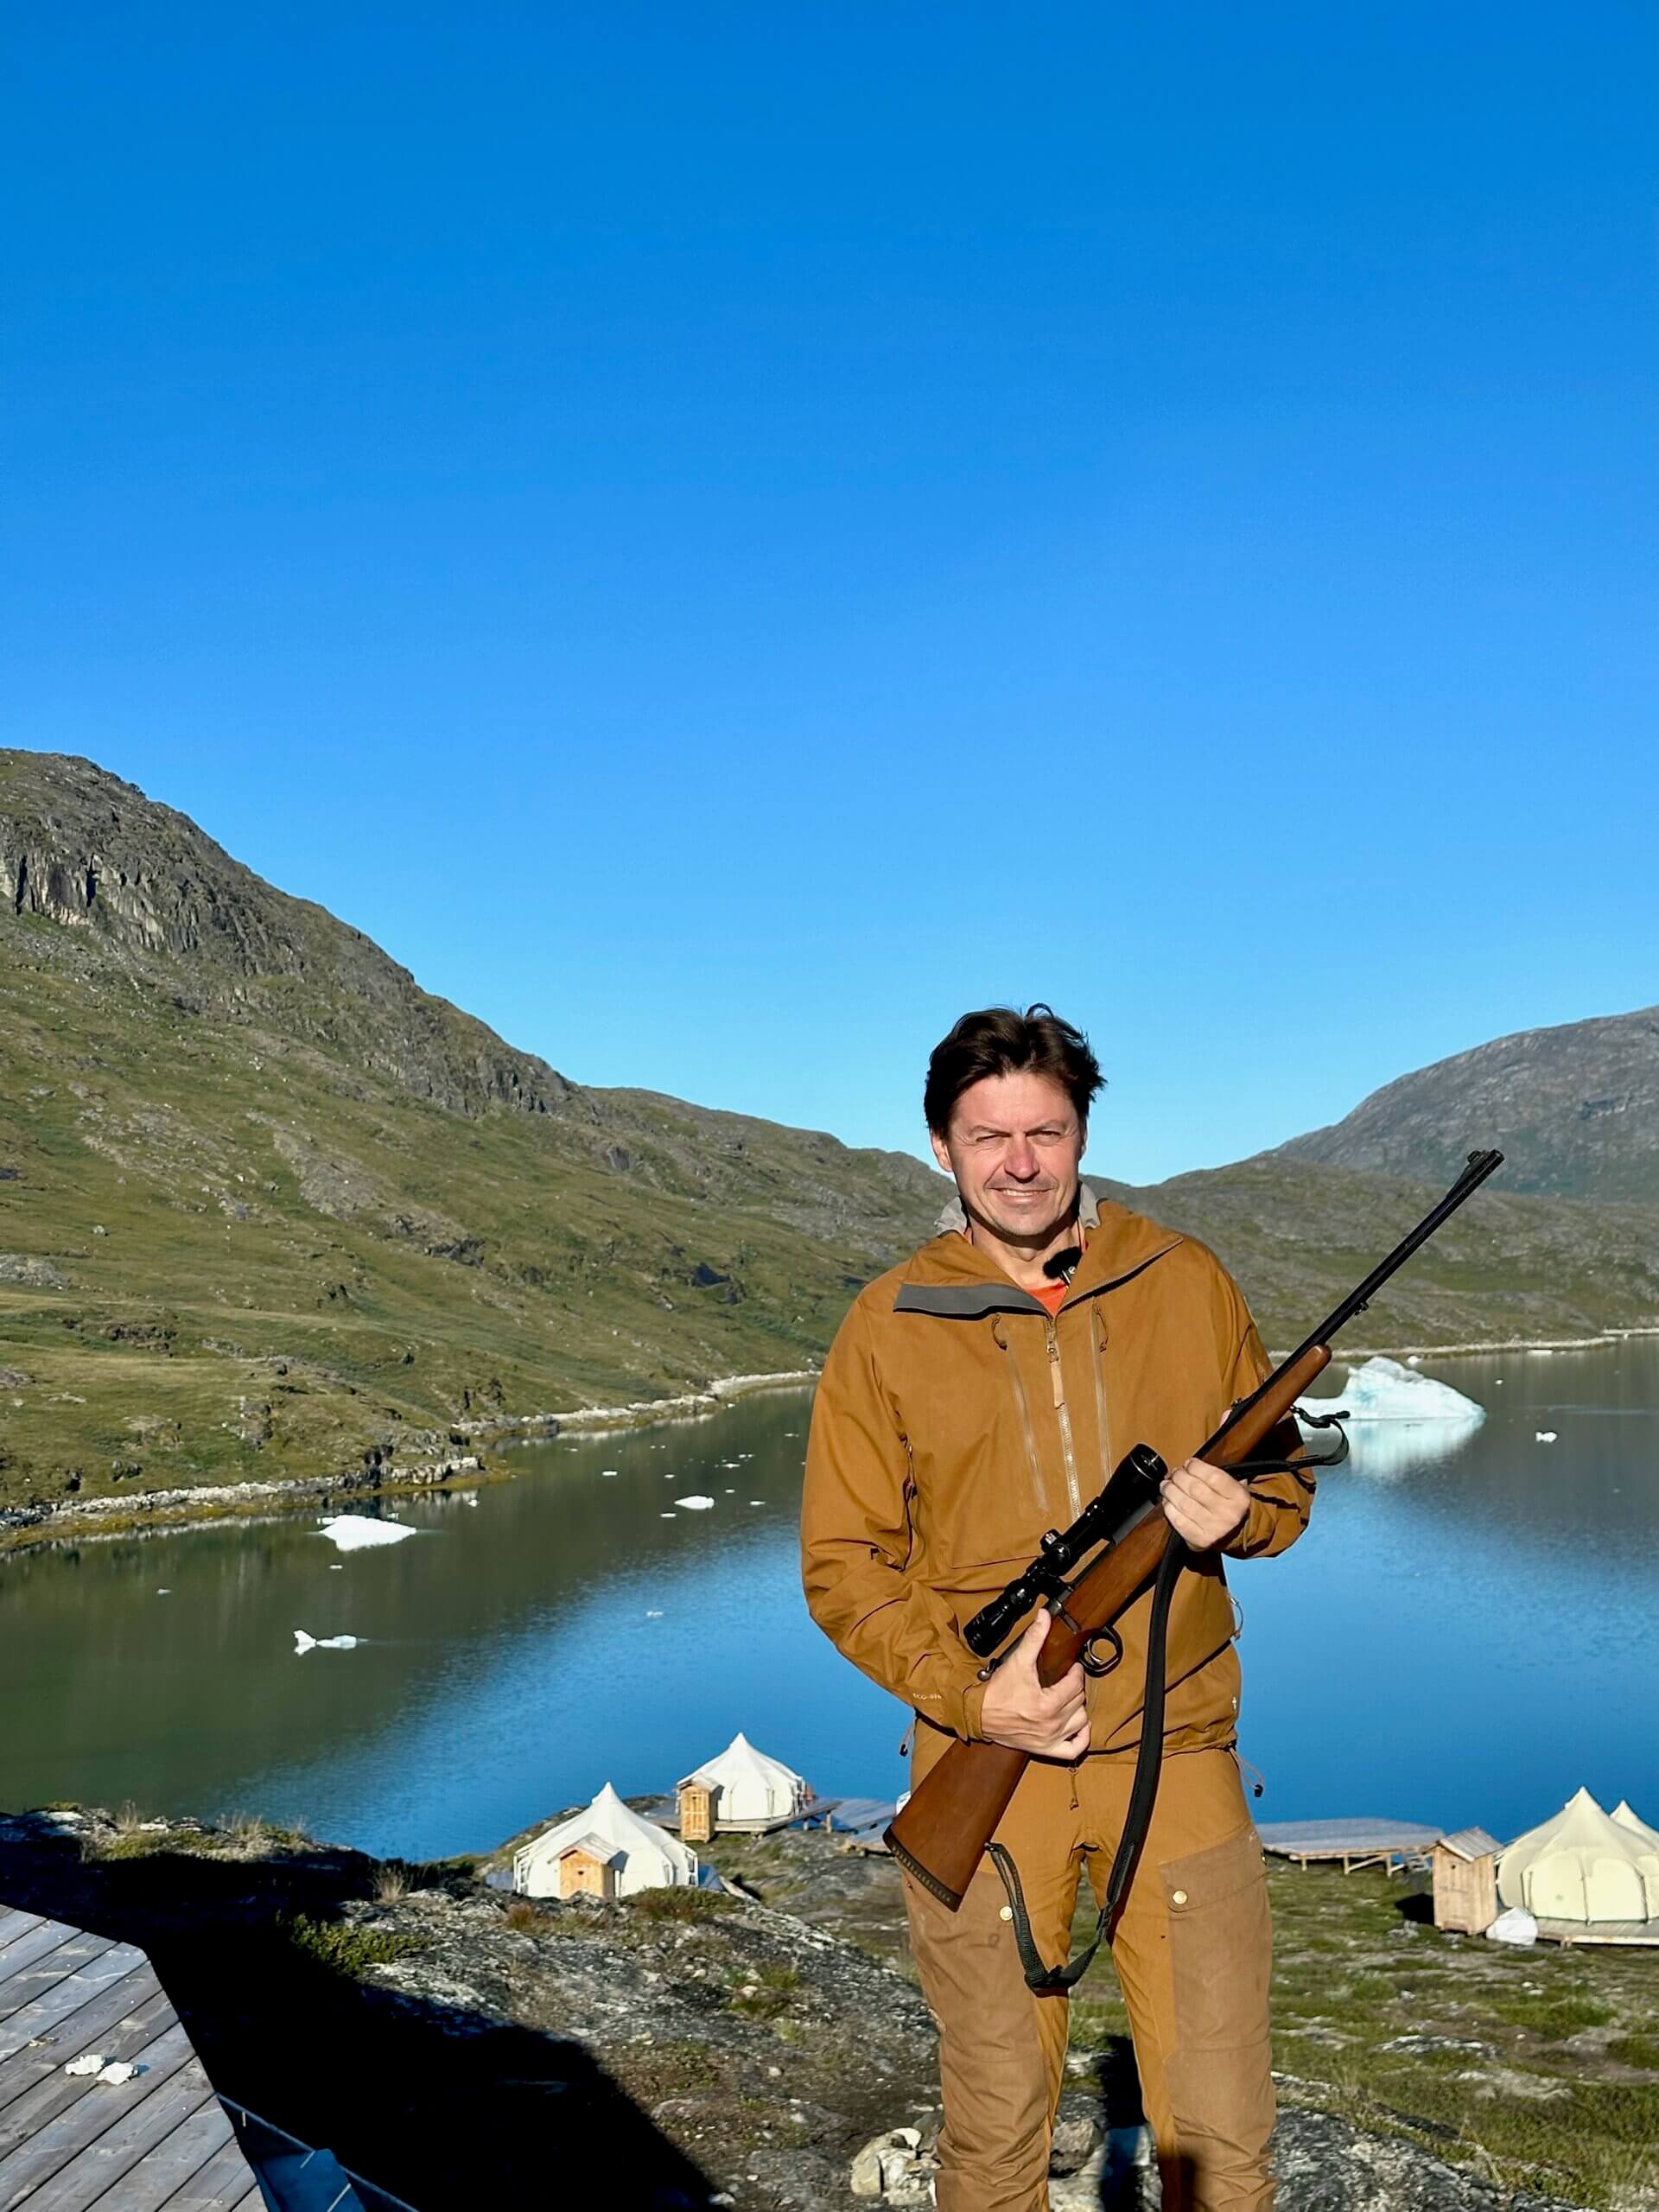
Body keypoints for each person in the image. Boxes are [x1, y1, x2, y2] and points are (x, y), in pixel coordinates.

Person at [801, 1005, 1313, 2212]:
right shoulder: (887, 1323)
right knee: (992, 2137)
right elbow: (844, 1564)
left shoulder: (1185, 1280)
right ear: (941, 1146)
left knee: (1222, 2145)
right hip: (984, 1756)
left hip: (1177, 1750)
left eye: (1047, 1132)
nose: (1021, 1163)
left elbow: (1284, 1487)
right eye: (989, 1137)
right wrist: (978, 1699)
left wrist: (1233, 1517)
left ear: (1084, 1134)